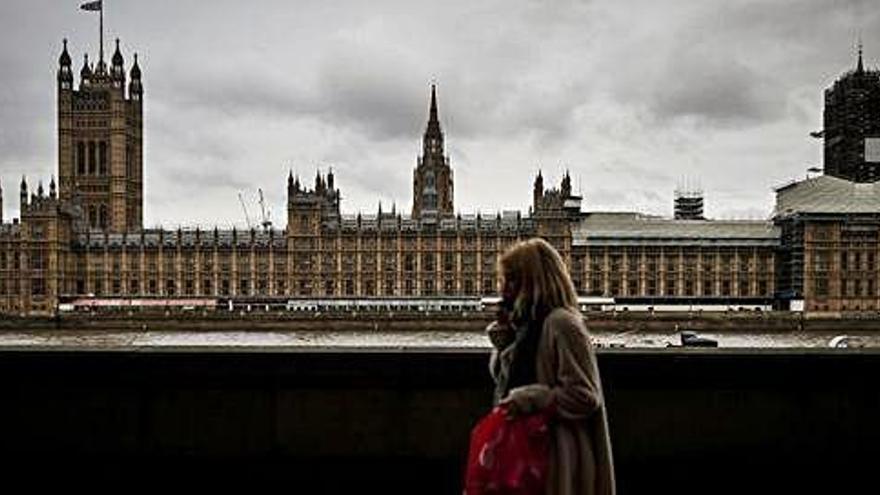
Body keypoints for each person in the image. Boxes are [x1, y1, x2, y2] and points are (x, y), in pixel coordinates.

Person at [486, 238, 615, 495]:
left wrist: (533, 398)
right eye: (504, 279)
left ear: (534, 279)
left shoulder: (562, 324)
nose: (504, 288)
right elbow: (506, 382)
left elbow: (585, 396)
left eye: (512, 279)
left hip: (556, 457)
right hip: (523, 451)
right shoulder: (526, 325)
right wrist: (504, 341)